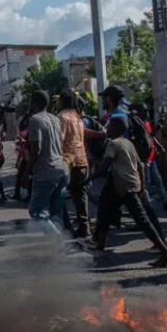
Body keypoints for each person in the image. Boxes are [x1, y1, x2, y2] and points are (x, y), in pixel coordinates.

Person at [85, 116, 167, 267]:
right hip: (126, 183)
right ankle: (99, 243)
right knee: (104, 208)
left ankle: (165, 252)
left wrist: (87, 180)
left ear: (117, 129)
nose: (107, 129)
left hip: (125, 186)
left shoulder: (112, 144)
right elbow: (139, 166)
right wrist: (142, 187)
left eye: (110, 127)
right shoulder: (128, 143)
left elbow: (104, 168)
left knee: (142, 220)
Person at [27, 90, 69, 234]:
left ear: (34, 103)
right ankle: (59, 247)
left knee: (36, 212)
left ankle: (59, 241)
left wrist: (28, 171)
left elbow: (36, 149)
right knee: (55, 214)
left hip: (45, 171)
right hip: (61, 169)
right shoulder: (55, 119)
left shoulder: (35, 120)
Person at [132, 103, 167, 210]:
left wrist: (158, 146)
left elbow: (151, 137)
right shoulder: (138, 126)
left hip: (151, 158)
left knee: (158, 181)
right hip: (145, 159)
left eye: (147, 111)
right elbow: (148, 137)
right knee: (146, 184)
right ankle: (146, 206)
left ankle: (165, 201)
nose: (147, 113)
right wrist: (157, 129)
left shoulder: (146, 123)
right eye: (144, 111)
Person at [58, 89, 90, 239]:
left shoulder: (62, 117)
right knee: (80, 195)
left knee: (60, 194)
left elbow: (60, 139)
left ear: (63, 101)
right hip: (82, 160)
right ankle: (85, 227)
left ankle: (67, 227)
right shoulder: (78, 118)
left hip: (68, 161)